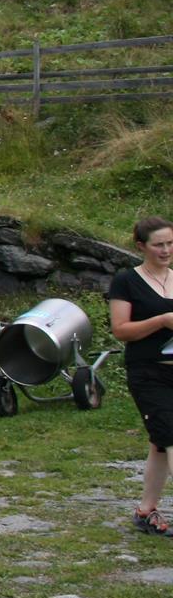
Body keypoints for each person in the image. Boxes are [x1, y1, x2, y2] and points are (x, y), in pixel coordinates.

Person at [109, 215, 173, 535]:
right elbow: (121, 330)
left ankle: (146, 509)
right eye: (158, 245)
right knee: (171, 435)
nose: (165, 250)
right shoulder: (126, 281)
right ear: (141, 246)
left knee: (160, 443)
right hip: (148, 372)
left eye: (170, 243)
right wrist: (161, 321)